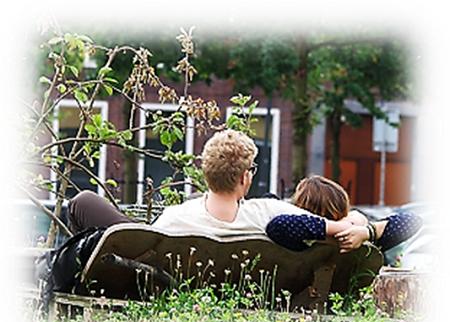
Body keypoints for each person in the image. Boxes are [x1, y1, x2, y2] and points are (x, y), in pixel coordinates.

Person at [69, 130, 364, 244]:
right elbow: (339, 223)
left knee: (83, 202)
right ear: (243, 179)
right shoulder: (270, 214)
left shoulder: (174, 220)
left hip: (155, 260)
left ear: (206, 173)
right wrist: (361, 227)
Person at [266, 175, 423, 254]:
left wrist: (363, 232)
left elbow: (277, 224)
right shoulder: (353, 240)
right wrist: (367, 231)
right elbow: (413, 221)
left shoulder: (291, 237)